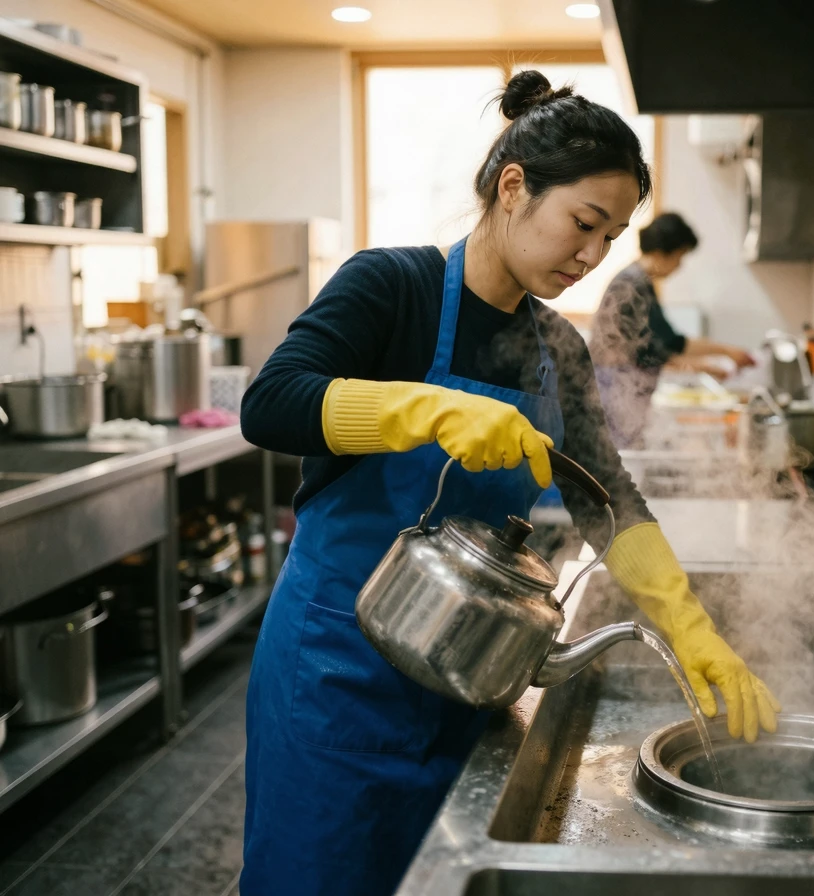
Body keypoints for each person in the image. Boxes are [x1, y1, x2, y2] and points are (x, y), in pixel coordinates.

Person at [238, 71, 780, 896]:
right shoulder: (393, 286)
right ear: (514, 187)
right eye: (584, 224)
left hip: (466, 681)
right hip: (335, 675)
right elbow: (271, 404)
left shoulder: (556, 345)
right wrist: (424, 410)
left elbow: (607, 497)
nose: (593, 256)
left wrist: (690, 625)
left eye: (612, 236)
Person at [588, 212, 756, 448]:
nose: (679, 266)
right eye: (679, 257)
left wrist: (718, 357)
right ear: (660, 253)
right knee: (617, 456)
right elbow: (659, 346)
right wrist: (720, 355)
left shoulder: (638, 281)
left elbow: (662, 342)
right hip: (615, 388)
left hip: (622, 389)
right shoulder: (632, 284)